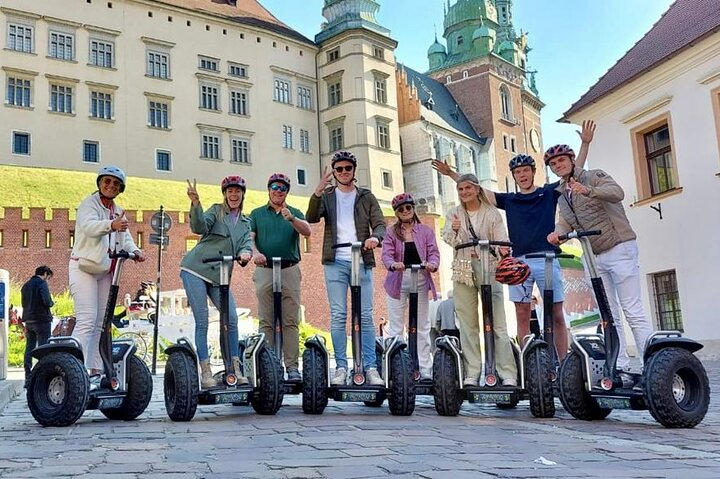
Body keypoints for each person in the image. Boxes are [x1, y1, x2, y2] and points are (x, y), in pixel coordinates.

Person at [433, 120, 596, 360]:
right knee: (522, 314)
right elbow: (476, 188)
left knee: (556, 313)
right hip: (519, 262)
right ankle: (529, 361)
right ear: (514, 176)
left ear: (533, 172)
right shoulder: (509, 200)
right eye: (518, 172)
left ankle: (563, 364)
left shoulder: (548, 193)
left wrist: (584, 144)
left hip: (547, 258)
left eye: (526, 171)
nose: (522, 175)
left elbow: (573, 173)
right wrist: (451, 175)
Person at [545, 141, 654, 371]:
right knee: (609, 315)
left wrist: (589, 191)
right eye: (553, 164)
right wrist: (558, 234)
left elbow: (617, 193)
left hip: (619, 247)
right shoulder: (562, 194)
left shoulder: (594, 176)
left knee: (632, 311)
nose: (558, 166)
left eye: (561, 160)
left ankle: (652, 366)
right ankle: (621, 365)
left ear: (572, 160)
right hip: (594, 257)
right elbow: (565, 222)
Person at [306, 150, 386, 386]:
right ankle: (341, 367)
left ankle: (370, 367)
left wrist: (376, 239)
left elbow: (380, 224)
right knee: (339, 315)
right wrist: (318, 190)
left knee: (366, 316)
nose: (343, 172)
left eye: (347, 168)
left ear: (353, 171)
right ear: (334, 172)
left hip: (362, 259)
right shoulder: (328, 196)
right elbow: (311, 217)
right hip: (335, 261)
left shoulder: (366, 196)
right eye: (338, 169)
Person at [69, 166, 146, 382]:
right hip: (83, 267)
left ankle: (94, 369)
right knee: (86, 319)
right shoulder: (88, 204)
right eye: (107, 182)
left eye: (115, 184)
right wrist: (111, 225)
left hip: (104, 269)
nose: (110, 186)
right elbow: (89, 227)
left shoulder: (116, 209)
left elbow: (125, 235)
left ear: (120, 189)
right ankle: (74, 370)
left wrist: (135, 251)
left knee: (101, 321)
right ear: (100, 183)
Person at [442, 173, 518, 386]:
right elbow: (448, 239)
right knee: (467, 323)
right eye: (461, 189)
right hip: (463, 269)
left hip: (489, 267)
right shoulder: (454, 213)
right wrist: (455, 231)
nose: (464, 192)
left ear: (477, 189)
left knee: (498, 322)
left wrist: (502, 250)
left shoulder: (492, 213)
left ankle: (507, 372)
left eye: (468, 188)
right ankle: (472, 372)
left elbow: (502, 239)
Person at [182, 176, 253, 388]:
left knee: (231, 319)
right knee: (202, 320)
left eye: (237, 192)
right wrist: (195, 203)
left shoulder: (245, 222)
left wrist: (246, 253)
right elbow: (199, 227)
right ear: (224, 194)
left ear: (242, 195)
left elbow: (246, 244)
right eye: (230, 191)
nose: (234, 195)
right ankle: (205, 372)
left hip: (220, 276)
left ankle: (234, 367)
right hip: (196, 268)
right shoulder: (216, 211)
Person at [249, 173, 311, 382]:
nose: (278, 191)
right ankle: (267, 367)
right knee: (266, 320)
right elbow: (250, 239)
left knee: (290, 321)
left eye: (283, 188)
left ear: (287, 192)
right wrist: (256, 253)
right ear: (268, 189)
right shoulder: (257, 214)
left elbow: (308, 232)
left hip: (289, 269)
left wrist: (291, 218)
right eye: (274, 187)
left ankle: (292, 368)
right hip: (265, 269)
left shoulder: (294, 212)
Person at [382, 193, 440, 380]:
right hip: (397, 281)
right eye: (401, 209)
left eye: (408, 207)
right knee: (397, 326)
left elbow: (433, 252)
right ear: (396, 213)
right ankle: (397, 367)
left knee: (423, 325)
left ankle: (424, 368)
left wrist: (432, 263)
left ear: (413, 209)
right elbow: (386, 255)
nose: (405, 211)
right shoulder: (391, 232)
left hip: (420, 278)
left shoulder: (425, 231)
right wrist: (393, 264)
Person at [21, 265, 54, 387]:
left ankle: (28, 377)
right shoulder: (42, 284)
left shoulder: (25, 285)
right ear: (45, 273)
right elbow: (47, 301)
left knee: (29, 348)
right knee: (44, 349)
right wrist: (52, 302)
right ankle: (42, 377)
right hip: (42, 320)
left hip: (29, 321)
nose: (47, 280)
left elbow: (23, 303)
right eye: (48, 277)